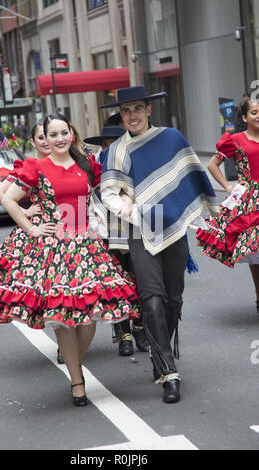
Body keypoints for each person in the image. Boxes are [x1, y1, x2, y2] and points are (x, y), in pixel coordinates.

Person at [0, 113, 140, 407]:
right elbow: (6, 199)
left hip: (87, 246)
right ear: (45, 137)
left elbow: (107, 191)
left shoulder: (87, 164)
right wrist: (31, 227)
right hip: (53, 249)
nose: (58, 139)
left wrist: (124, 201)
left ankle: (74, 363)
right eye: (52, 134)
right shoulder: (36, 167)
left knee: (91, 317)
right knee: (63, 320)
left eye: (63, 133)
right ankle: (76, 379)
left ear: (72, 135)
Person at [100, 86, 218, 403]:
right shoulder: (116, 152)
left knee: (173, 300)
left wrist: (210, 214)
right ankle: (168, 371)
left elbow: (192, 175)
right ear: (121, 115)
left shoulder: (172, 139)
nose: (132, 115)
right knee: (151, 299)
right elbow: (110, 192)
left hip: (175, 229)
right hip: (140, 232)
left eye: (137, 108)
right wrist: (135, 211)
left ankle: (160, 350)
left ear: (149, 110)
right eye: (126, 111)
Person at [84, 126, 149, 356]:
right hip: (105, 234)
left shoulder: (136, 164)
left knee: (140, 280)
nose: (109, 148)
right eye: (105, 144)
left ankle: (141, 328)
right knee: (115, 284)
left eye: (115, 143)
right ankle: (123, 335)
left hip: (135, 232)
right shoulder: (94, 171)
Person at [197, 99, 259, 313]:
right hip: (249, 200)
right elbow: (212, 164)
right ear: (244, 118)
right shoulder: (235, 139)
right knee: (253, 248)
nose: (258, 115)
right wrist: (228, 186)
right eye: (253, 112)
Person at [0, 123, 49, 284]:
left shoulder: (65, 164)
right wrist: (25, 212)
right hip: (38, 228)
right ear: (33, 142)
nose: (46, 141)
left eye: (49, 136)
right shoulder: (28, 167)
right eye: (41, 137)